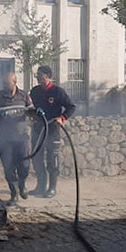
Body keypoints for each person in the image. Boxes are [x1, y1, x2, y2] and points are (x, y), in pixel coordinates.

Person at [29, 65, 76, 198]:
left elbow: (71, 107)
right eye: (37, 75)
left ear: (47, 76)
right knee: (37, 159)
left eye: (40, 75)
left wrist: (62, 118)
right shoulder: (35, 91)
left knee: (51, 160)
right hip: (38, 129)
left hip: (53, 130)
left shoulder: (57, 92)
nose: (38, 77)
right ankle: (40, 186)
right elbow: (30, 106)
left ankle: (52, 188)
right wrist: (32, 113)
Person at [0, 72, 33, 204]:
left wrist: (35, 113)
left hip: (21, 137)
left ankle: (22, 185)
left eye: (8, 84)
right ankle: (14, 194)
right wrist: (1, 115)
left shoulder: (24, 96)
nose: (5, 86)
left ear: (15, 82)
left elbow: (31, 112)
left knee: (24, 165)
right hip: (4, 138)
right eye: (4, 84)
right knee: (8, 166)